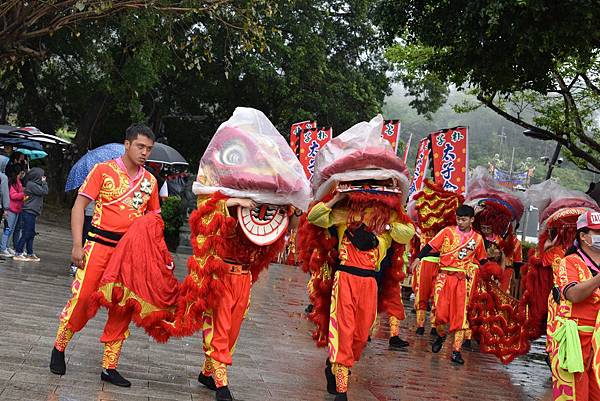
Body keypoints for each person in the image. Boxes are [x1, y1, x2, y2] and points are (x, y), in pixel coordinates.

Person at [49, 123, 160, 387]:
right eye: (140, 146)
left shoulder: (151, 181)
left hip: (129, 254)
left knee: (123, 306)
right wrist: (77, 244)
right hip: (98, 246)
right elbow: (79, 206)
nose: (144, 152)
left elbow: (154, 220)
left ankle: (109, 367)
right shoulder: (103, 170)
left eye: (149, 149)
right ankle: (59, 347)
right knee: (84, 299)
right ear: (127, 144)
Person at [308, 187, 415, 401]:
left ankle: (335, 364)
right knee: (343, 329)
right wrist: (336, 199)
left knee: (361, 333)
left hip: (369, 281)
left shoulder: (389, 215)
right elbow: (315, 217)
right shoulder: (345, 213)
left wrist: (384, 225)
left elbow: (407, 233)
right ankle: (341, 389)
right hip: (346, 278)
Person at [411, 204, 487, 364]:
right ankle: (441, 334)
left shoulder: (478, 239)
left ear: (472, 220)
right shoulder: (447, 232)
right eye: (458, 219)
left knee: (460, 316)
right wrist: (418, 258)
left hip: (462, 280)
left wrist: (491, 270)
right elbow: (430, 246)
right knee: (438, 313)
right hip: (443, 277)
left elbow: (483, 260)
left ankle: (456, 351)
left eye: (464, 219)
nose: (460, 222)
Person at [548, 211, 600, 400]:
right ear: (583, 237)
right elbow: (573, 294)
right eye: (597, 232)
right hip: (575, 339)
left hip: (599, 342)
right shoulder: (569, 262)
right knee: (575, 393)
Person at [12, 167, 48, 261]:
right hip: (28, 211)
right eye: (42, 176)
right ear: (37, 176)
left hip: (32, 212)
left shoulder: (34, 184)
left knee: (31, 233)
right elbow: (45, 191)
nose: (43, 177)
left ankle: (30, 253)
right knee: (27, 233)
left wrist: (42, 182)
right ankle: (18, 252)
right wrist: (44, 182)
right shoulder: (31, 185)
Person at [0, 164, 24, 257]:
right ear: (19, 172)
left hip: (17, 208)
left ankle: (6, 246)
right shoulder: (11, 181)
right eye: (22, 171)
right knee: (8, 229)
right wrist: (23, 194)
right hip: (11, 208)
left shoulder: (18, 181)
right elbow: (13, 195)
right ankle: (3, 248)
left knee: (12, 229)